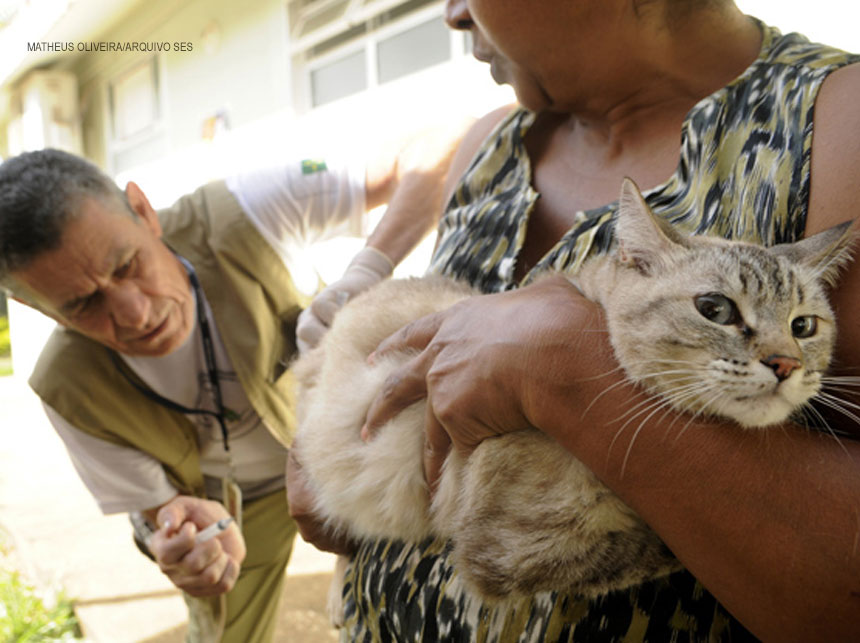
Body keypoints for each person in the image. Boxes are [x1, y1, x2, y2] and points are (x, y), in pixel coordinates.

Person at [289, 0, 860, 640]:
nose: (451, 14)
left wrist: (567, 365)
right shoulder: (490, 143)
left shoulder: (841, 125)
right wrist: (316, 433)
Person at [0, 125, 465, 642]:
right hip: (234, 511)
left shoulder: (243, 210)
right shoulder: (67, 390)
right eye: (83, 305)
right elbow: (160, 512)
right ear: (33, 307)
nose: (134, 314)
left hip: (349, 457)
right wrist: (183, 542)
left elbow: (430, 152)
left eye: (128, 264)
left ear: (143, 210)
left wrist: (368, 269)